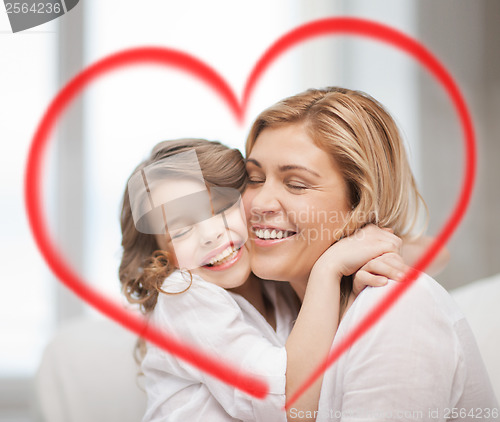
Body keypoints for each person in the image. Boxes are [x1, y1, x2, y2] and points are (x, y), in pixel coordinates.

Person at [243, 87, 499, 421]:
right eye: (253, 178)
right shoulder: (272, 308)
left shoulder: (397, 309)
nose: (259, 204)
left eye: (297, 184)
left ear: (360, 200)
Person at [119, 138, 410, 422]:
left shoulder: (274, 283)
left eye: (220, 208)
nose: (210, 235)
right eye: (180, 232)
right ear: (161, 258)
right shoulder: (183, 293)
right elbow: (287, 407)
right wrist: (329, 268)